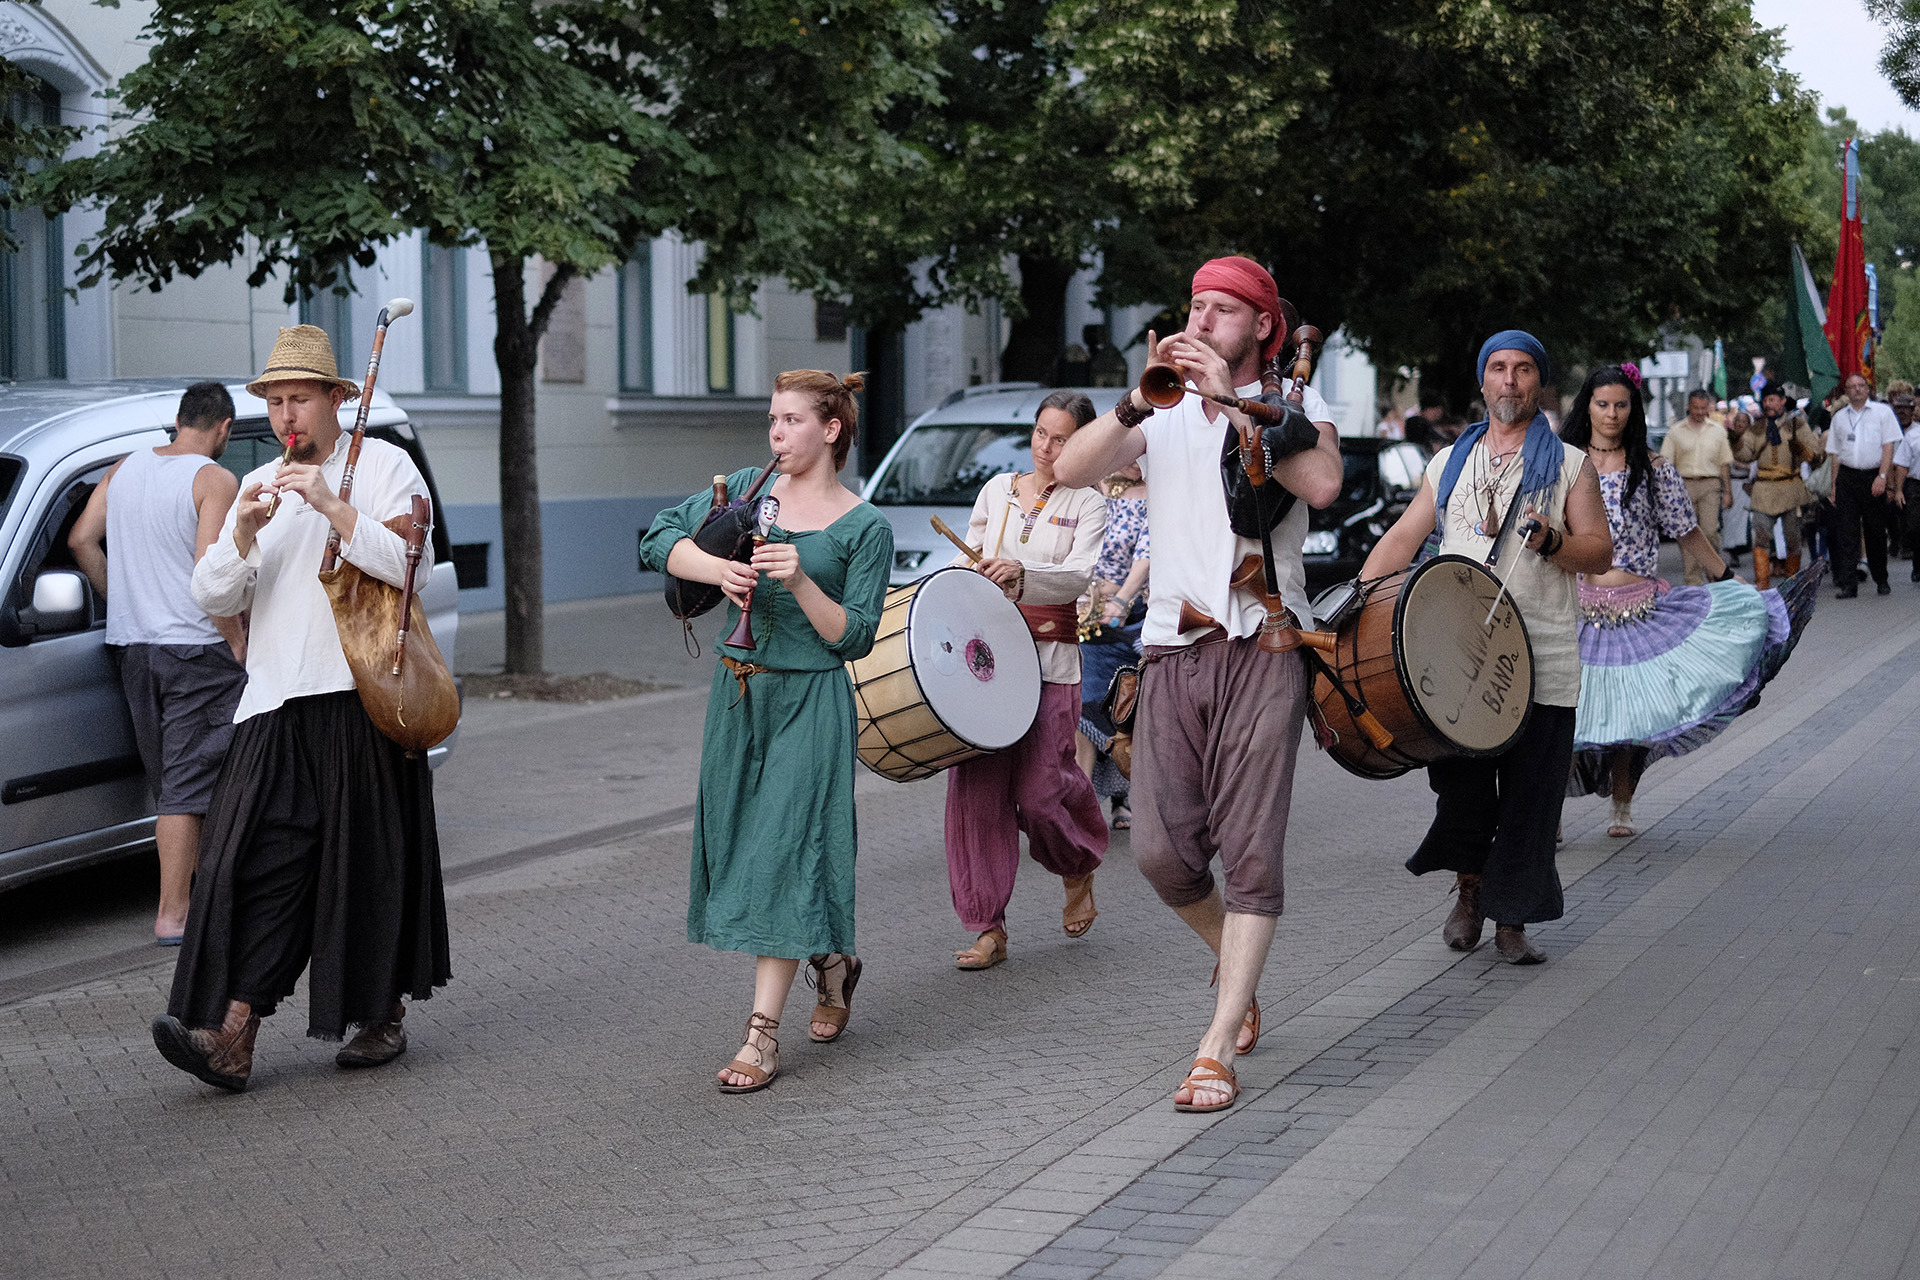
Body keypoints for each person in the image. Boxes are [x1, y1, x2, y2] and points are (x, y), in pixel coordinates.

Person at [1055, 256, 1344, 1113]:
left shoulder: (1298, 404)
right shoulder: (1163, 405)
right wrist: (1137, 399)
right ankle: (1233, 965)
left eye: (1222, 309)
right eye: (1195, 306)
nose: (1202, 321)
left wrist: (1233, 401)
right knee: (1159, 852)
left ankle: (1216, 1045)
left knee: (1251, 849)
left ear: (1263, 326)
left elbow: (1323, 483)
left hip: (1264, 645)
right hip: (1171, 648)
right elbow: (1070, 469)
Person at [150, 326, 451, 1092]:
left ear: (335, 400)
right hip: (272, 704)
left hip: (360, 698)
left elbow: (410, 566)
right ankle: (230, 1033)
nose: (287, 414)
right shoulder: (259, 482)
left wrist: (333, 508)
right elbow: (212, 595)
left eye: (300, 399)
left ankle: (380, 1015)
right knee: (249, 869)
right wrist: (240, 534)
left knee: (367, 869)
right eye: (276, 400)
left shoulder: (383, 465)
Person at [639, 370, 892, 1093]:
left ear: (831, 430)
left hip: (809, 701)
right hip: (737, 697)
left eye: (791, 420)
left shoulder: (864, 526)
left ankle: (761, 1036)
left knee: (782, 853)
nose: (776, 432)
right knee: (743, 848)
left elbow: (856, 637)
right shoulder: (748, 489)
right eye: (773, 419)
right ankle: (834, 962)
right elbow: (658, 538)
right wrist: (718, 568)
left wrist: (802, 579)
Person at [1361, 331, 1612, 966]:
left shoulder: (1571, 465)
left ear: (1539, 384)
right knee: (1464, 789)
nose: (1510, 380)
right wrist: (1355, 599)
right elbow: (1403, 538)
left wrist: (1555, 542)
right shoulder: (1449, 462)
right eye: (1498, 368)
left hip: (1541, 660)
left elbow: (1599, 552)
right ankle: (1470, 889)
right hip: (1456, 658)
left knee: (1532, 797)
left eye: (1523, 369)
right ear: (1483, 381)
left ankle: (1513, 918)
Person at [1559, 366, 1816, 837]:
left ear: (1633, 409)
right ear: (1587, 407)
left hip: (1639, 610)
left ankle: (1621, 807)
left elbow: (1688, 533)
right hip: (1575, 611)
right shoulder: (1564, 465)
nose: (1612, 414)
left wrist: (1729, 579)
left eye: (1621, 404)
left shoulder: (1653, 468)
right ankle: (1548, 817)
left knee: (1633, 719)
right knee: (1569, 718)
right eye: (1602, 404)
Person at [68, 382, 247, 946]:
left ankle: (209, 897)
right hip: (197, 648)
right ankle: (174, 915)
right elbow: (209, 572)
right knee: (188, 787)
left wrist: (122, 599)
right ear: (223, 428)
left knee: (172, 780)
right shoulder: (214, 479)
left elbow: (81, 540)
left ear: (178, 420)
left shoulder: (124, 469)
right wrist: (238, 641)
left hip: (135, 648)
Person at [944, 392, 1110, 968]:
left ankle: (1077, 866)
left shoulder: (1089, 502)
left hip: (1050, 662)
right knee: (978, 794)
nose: (1046, 447)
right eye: (1041, 433)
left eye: (1061, 438)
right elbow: (966, 559)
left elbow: (1078, 577)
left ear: (1083, 443)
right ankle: (987, 927)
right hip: (987, 662)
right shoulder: (997, 490)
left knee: (1042, 793)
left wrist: (1022, 573)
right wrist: (961, 577)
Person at [1077, 459, 1150, 830]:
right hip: (1087, 617)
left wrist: (1121, 598)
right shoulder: (1088, 488)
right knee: (1086, 710)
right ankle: (1080, 806)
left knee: (1126, 711)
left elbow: (1147, 556)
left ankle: (1124, 798)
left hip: (1133, 620)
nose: (1137, 460)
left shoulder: (1155, 495)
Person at [1734, 381, 1824, 590]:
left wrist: (1803, 450)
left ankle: (1791, 585)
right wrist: (1736, 442)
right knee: (1761, 538)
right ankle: (1762, 585)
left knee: (1793, 539)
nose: (1768, 404)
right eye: (1766, 400)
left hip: (1791, 487)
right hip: (1764, 489)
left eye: (1773, 400)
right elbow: (1745, 455)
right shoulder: (1757, 428)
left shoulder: (1797, 425)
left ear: (1783, 401)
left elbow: (1816, 455)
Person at [1823, 373, 1900, 598]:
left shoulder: (1882, 413)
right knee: (1846, 531)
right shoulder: (1839, 418)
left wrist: (1883, 476)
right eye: (1852, 386)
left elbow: (1888, 446)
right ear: (1846, 392)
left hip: (1872, 475)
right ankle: (1849, 583)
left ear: (1867, 389)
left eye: (1861, 385)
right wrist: (1834, 485)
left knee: (1875, 530)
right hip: (1847, 477)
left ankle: (1881, 577)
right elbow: (1835, 454)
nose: (1857, 389)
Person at [1660, 388, 1735, 585]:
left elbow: (1724, 464)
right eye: (1696, 408)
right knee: (1687, 533)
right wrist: (1667, 493)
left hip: (1710, 484)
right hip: (1683, 485)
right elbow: (1666, 464)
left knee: (1710, 531)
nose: (1700, 412)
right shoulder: (1676, 431)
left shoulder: (1718, 431)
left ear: (1708, 407)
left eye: (1703, 408)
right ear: (1689, 406)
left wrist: (1728, 492)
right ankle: (1693, 580)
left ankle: (1714, 573)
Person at [1891, 389, 1920, 580]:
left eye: (1906, 408)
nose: (1902, 412)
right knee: (1915, 527)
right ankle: (1917, 563)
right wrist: (1898, 489)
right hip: (1915, 486)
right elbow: (1901, 464)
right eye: (1899, 408)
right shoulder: (1913, 436)